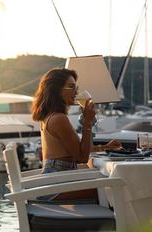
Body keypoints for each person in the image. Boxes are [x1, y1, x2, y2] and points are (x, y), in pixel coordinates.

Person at [31, 68, 121, 200]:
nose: (76, 92)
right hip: (55, 187)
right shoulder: (58, 119)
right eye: (71, 87)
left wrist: (105, 147)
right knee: (117, 190)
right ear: (56, 89)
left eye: (76, 87)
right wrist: (87, 123)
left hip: (57, 182)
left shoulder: (51, 117)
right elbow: (82, 157)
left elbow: (79, 150)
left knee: (110, 186)